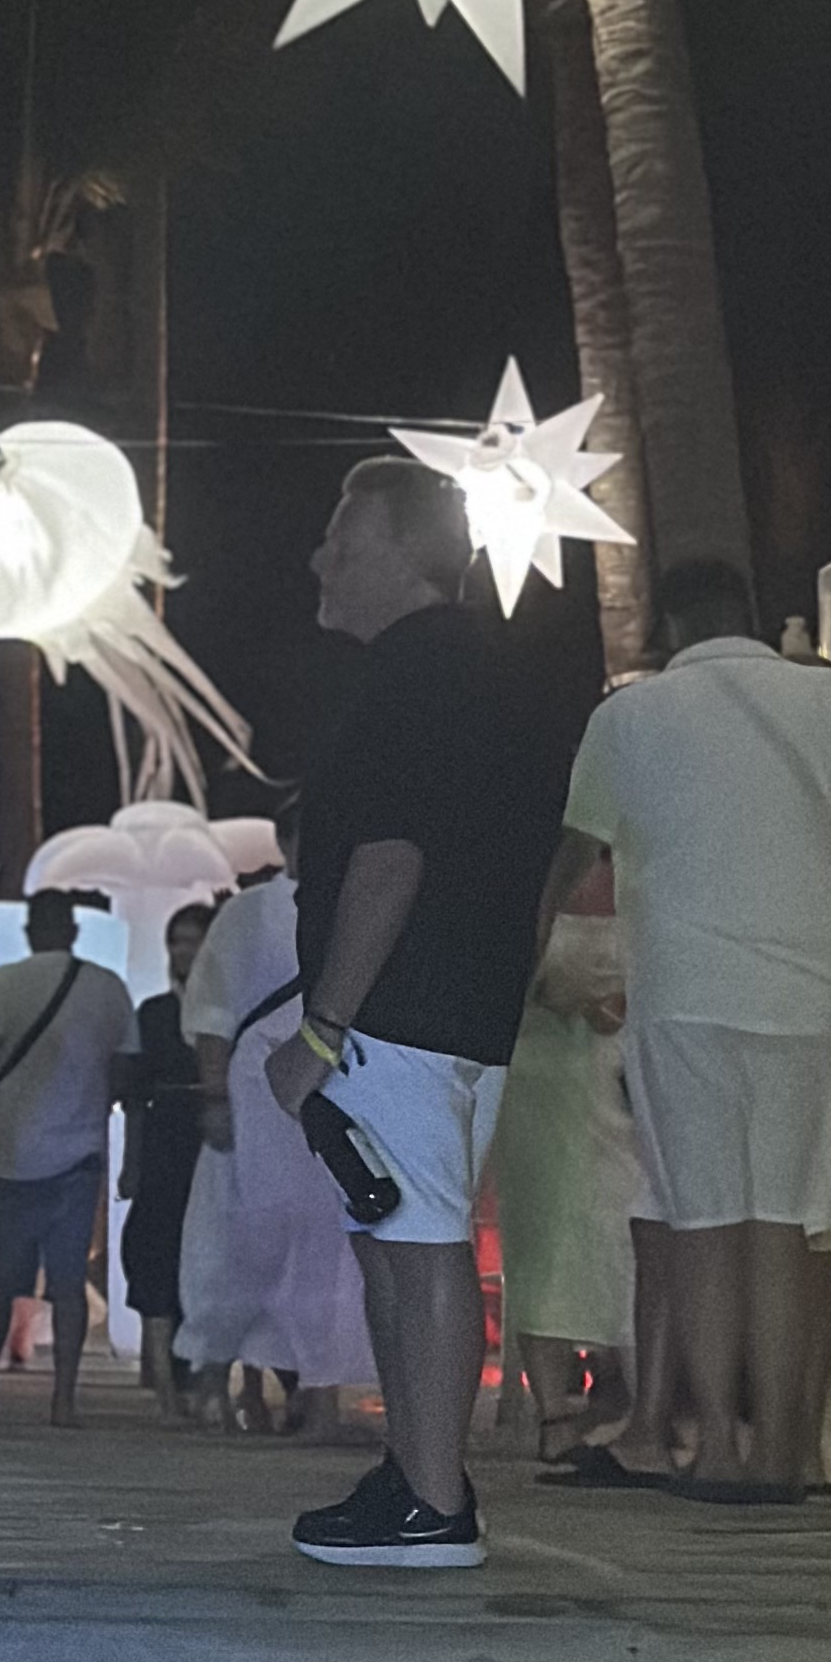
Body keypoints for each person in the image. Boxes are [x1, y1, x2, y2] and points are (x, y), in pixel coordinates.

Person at [540, 558, 831, 1500]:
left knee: (701, 1224)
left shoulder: (628, 715)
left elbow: (573, 850)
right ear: (759, 620)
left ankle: (718, 1456)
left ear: (667, 631)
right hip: (810, 996)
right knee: (782, 1225)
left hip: (685, 993)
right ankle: (779, 1451)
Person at [270, 461, 580, 1573]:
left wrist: (322, 1027)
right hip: (465, 1000)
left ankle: (434, 1499)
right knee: (399, 1234)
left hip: (398, 1004)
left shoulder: (410, 675)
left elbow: (388, 857)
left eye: (343, 538)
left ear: (404, 554)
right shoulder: (500, 676)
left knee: (416, 1241)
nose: (321, 558)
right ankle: (415, 1470)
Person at [178, 852, 375, 1429]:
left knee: (325, 1246)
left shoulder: (358, 904)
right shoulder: (251, 912)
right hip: (257, 1094)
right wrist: (216, 1097)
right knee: (245, 1238)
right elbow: (214, 1012)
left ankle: (318, 1393)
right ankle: (217, 1372)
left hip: (332, 1093)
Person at [0, 890, 138, 1427]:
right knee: (67, 1284)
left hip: (7, 1152)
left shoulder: (3, 982)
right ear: (73, 931)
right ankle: (64, 1399)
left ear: (30, 930)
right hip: (78, 1153)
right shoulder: (108, 988)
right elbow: (126, 1072)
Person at [488, 854, 641, 1464]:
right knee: (542, 1236)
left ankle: (639, 1400)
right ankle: (555, 1411)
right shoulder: (529, 865)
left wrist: (628, 1002)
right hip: (539, 1068)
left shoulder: (645, 861)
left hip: (629, 1069)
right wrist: (557, 998)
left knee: (629, 1230)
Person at [117, 900, 215, 1403]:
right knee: (156, 1250)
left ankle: (194, 1378)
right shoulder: (155, 1012)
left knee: (204, 1252)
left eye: (192, 941)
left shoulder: (222, 1011)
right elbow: (135, 1094)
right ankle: (165, 1380)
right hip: (165, 1139)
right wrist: (131, 1163)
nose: (183, 952)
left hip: (208, 1141)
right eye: (177, 942)